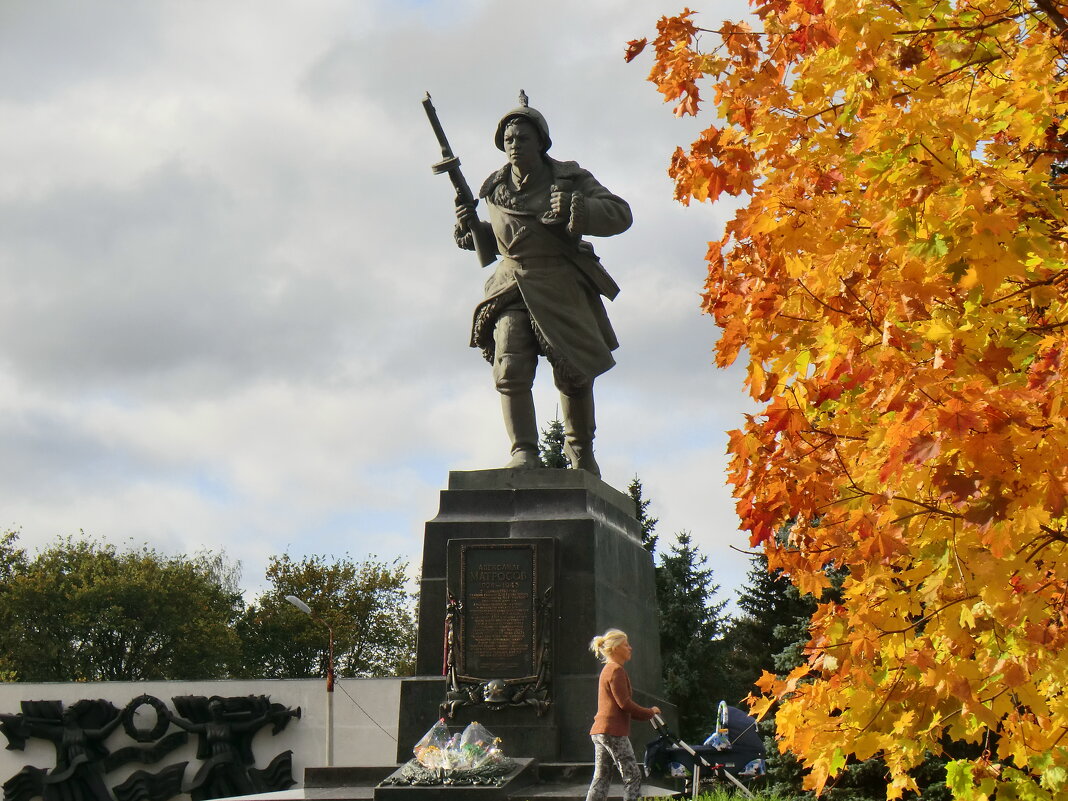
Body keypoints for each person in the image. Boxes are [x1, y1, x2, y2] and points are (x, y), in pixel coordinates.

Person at [455, 92, 632, 478]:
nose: (514, 146)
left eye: (521, 138)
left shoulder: (569, 178)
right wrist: (472, 229)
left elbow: (620, 214)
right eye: (508, 140)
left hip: (560, 282)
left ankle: (581, 452)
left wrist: (575, 207)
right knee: (510, 365)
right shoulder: (494, 189)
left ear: (540, 142)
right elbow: (502, 241)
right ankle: (523, 451)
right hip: (512, 282)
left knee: (572, 373)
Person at [585, 629, 661, 801]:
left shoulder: (607, 670)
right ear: (616, 648)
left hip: (600, 731)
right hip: (614, 732)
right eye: (626, 645)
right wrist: (650, 712)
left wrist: (644, 714)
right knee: (632, 776)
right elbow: (625, 704)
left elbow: (620, 706)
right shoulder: (616, 670)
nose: (630, 648)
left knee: (601, 778)